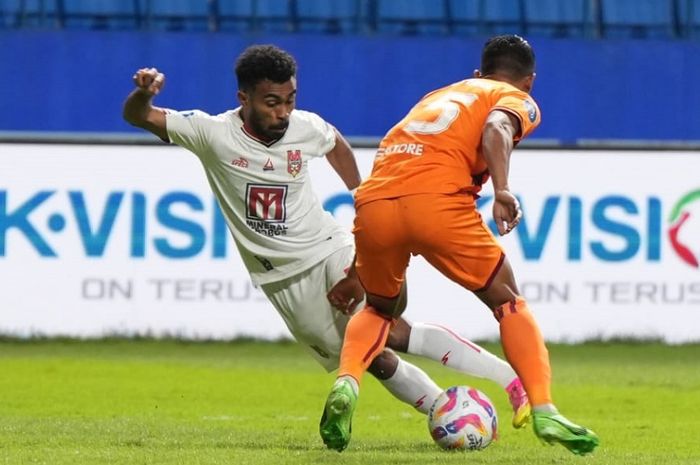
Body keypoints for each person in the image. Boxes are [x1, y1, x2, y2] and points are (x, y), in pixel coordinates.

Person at [122, 44, 529, 432]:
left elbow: (334, 141)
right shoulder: (211, 132)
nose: (283, 112)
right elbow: (141, 117)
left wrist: (361, 197)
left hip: (330, 245)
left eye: (290, 99)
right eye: (272, 102)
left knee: (385, 323)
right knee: (377, 356)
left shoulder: (305, 127)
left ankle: (505, 382)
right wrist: (142, 95)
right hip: (282, 277)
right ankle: (446, 408)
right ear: (243, 97)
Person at [319, 35, 600, 456]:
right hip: (438, 202)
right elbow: (496, 128)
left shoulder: (440, 95)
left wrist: (358, 270)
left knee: (379, 309)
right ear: (529, 82)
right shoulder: (514, 98)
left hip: (374, 201)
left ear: (477, 73)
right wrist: (502, 189)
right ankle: (544, 407)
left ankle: (347, 382)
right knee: (507, 300)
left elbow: (400, 168)